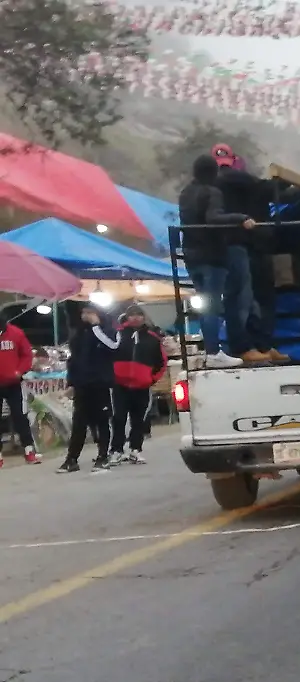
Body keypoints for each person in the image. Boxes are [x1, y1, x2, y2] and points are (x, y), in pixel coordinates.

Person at [177, 153, 260, 368]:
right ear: (213, 173)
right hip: (212, 256)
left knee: (205, 306)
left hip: (191, 255)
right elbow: (213, 219)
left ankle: (210, 351)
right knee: (213, 306)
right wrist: (241, 219)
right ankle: (213, 352)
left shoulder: (184, 193)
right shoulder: (212, 192)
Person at [212, 145, 275, 363]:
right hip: (238, 244)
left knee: (243, 298)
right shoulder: (243, 181)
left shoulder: (209, 186)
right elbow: (267, 189)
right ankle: (245, 347)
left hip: (223, 247)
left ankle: (258, 346)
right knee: (240, 298)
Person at [60, 304, 118, 473]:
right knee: (79, 422)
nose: (85, 316)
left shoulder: (108, 331)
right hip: (82, 384)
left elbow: (113, 346)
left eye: (89, 312)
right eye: (83, 313)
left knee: (102, 421)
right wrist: (71, 383)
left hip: (100, 383)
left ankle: (103, 456)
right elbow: (73, 360)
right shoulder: (79, 334)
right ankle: (72, 458)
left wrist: (95, 326)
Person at [107, 305, 165, 466]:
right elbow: (108, 356)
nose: (136, 318)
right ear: (127, 317)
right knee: (118, 418)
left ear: (143, 317)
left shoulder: (153, 338)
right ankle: (116, 450)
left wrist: (151, 379)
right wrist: (112, 376)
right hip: (120, 385)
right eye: (132, 315)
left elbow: (161, 362)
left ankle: (135, 449)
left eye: (139, 315)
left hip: (142, 386)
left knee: (139, 420)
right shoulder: (117, 335)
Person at [0, 313, 41, 465]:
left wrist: (19, 371)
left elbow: (27, 355)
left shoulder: (16, 333)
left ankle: (29, 451)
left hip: (14, 383)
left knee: (20, 416)